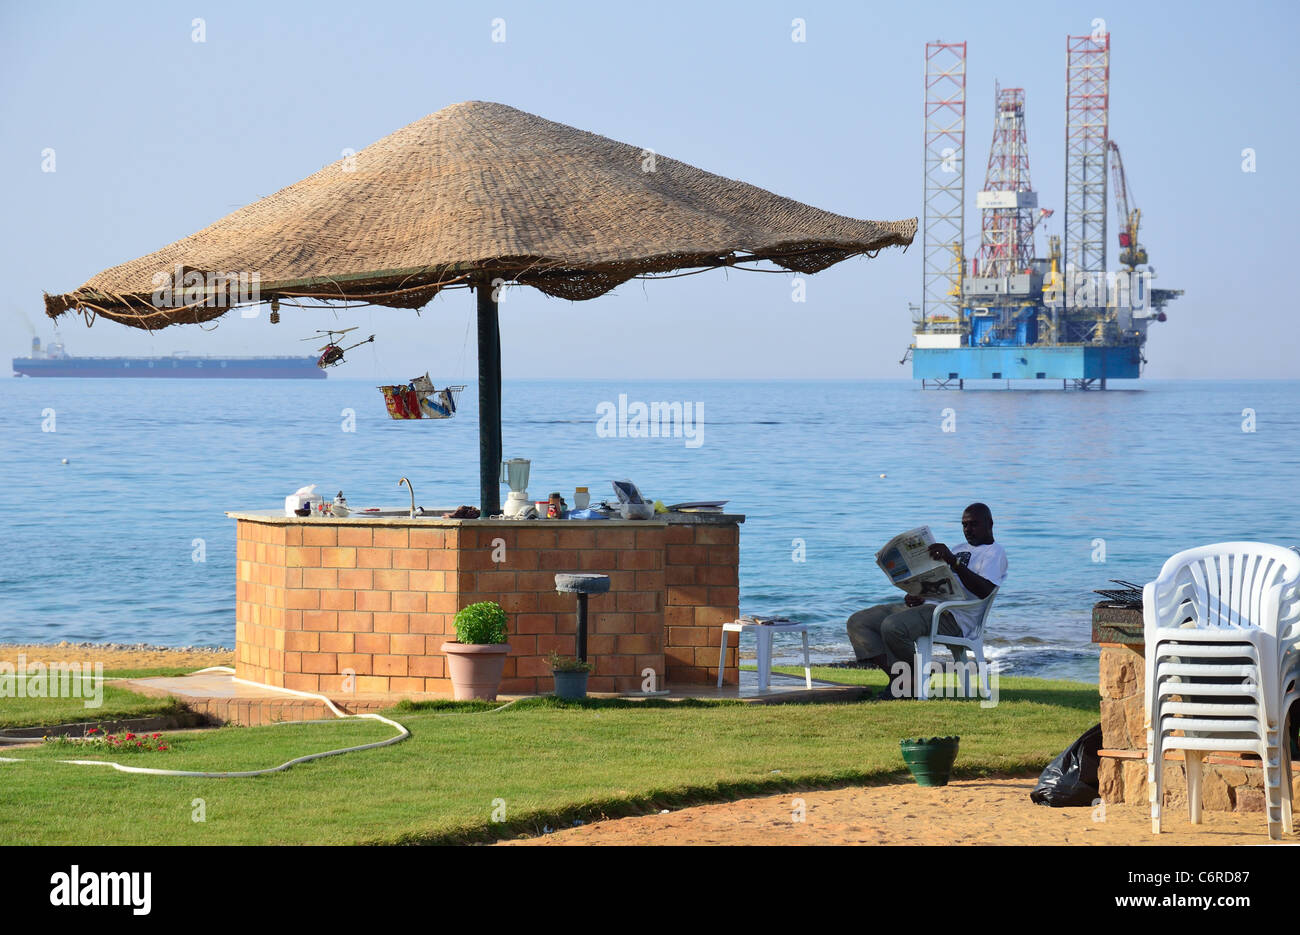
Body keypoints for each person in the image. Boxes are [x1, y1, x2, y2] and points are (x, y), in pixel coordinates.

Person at [846, 503, 1007, 698]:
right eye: (964, 525)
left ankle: (907, 684)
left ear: (989, 523)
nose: (968, 530)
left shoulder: (994, 553)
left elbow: (983, 591)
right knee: (859, 622)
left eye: (973, 524)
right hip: (930, 606)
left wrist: (953, 562)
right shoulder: (959, 548)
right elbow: (941, 580)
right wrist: (918, 592)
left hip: (953, 617)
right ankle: (904, 680)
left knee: (893, 626)